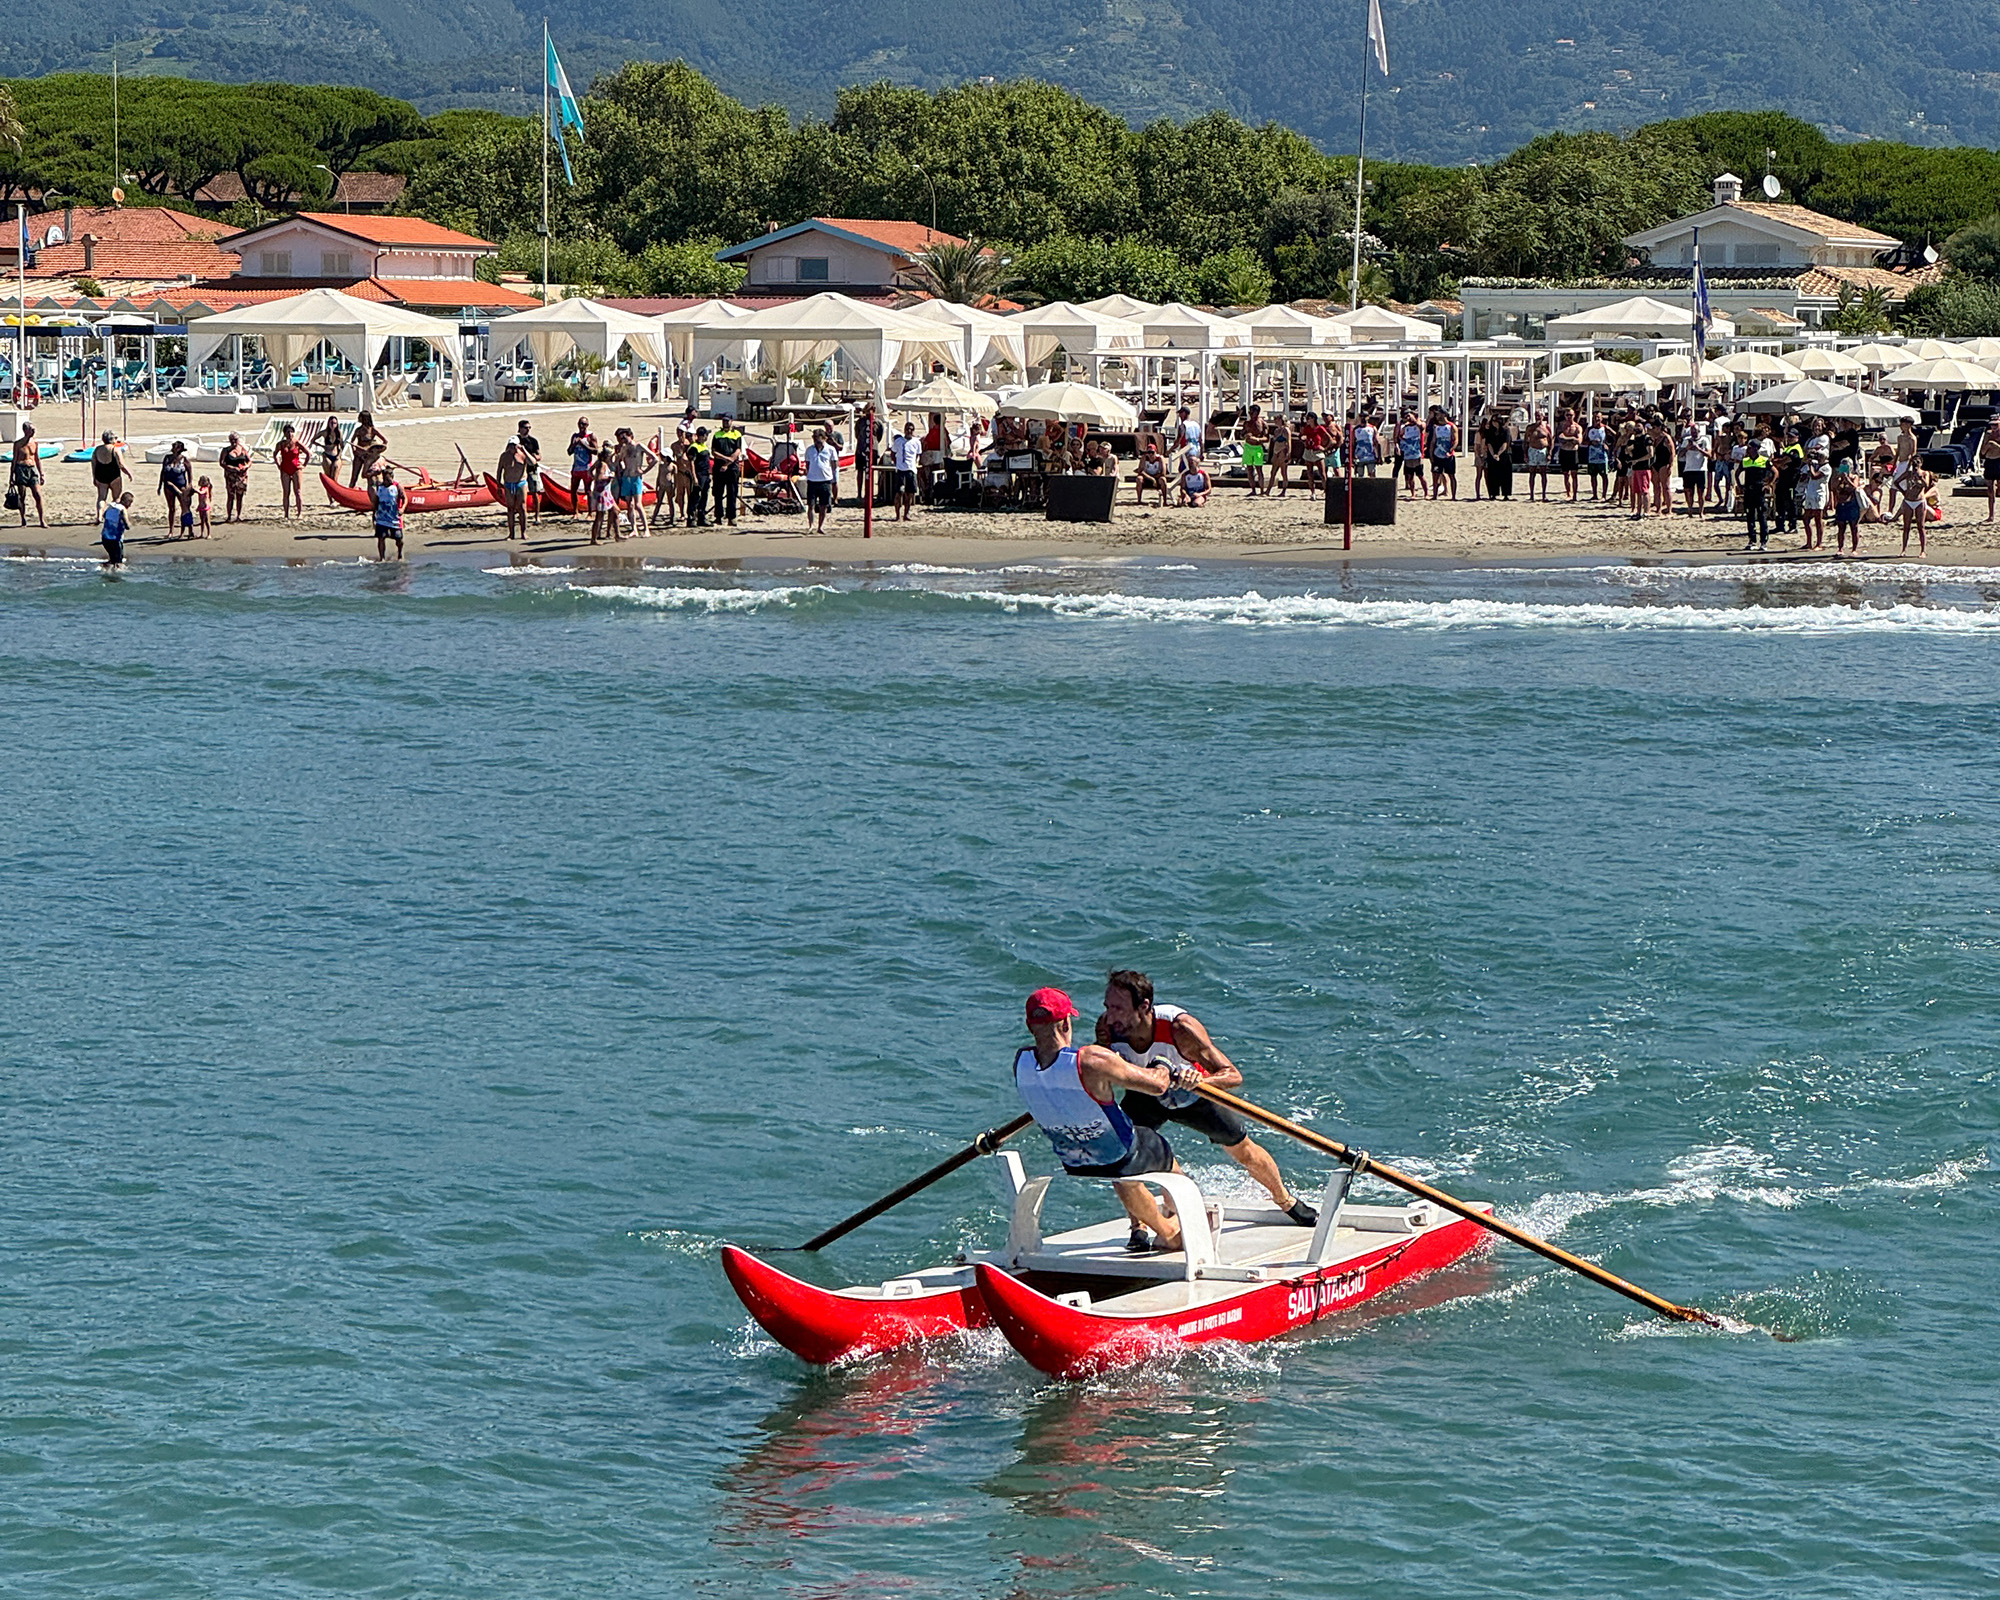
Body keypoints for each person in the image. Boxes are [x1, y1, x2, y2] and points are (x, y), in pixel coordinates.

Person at [1097, 970, 1317, 1238]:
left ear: (1144, 1007)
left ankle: (1285, 1200)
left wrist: (1200, 1081)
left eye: (1118, 1008)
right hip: (1147, 1094)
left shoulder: (1180, 1028)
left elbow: (1232, 1075)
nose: (1110, 1016)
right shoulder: (1109, 1029)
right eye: (1108, 1007)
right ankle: (1138, 1226)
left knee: (1242, 1149)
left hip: (1192, 1095)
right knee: (1123, 1156)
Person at [1014, 987, 1186, 1255]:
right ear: (1066, 1022)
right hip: (1118, 1152)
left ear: (1029, 1026)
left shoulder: (1022, 1062)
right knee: (1158, 1151)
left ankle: (1143, 1225)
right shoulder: (1092, 1059)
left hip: (1074, 1161)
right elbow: (1156, 1086)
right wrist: (1163, 1062)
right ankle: (1171, 1230)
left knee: (1122, 1170)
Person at [614, 427, 655, 538]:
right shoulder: (624, 448)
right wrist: (621, 467)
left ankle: (646, 529)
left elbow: (654, 458)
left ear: (630, 435)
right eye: (621, 438)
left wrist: (644, 470)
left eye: (624, 437)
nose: (623, 439)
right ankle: (634, 529)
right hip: (627, 477)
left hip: (636, 478)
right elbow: (619, 460)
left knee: (638, 504)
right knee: (629, 505)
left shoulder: (639, 446)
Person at [1739, 431, 1773, 550]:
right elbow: (1738, 473)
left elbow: (1775, 472)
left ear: (1756, 449)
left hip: (1759, 491)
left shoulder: (1764, 460)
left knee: (1762, 516)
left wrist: (1769, 484)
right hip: (1749, 491)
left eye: (1751, 447)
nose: (1748, 449)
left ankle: (1763, 542)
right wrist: (1740, 485)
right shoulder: (1745, 461)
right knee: (1750, 516)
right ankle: (1752, 541)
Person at [803, 426, 839, 533]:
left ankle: (820, 526)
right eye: (815, 440)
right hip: (812, 480)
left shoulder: (831, 449)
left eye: (819, 440)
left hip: (825, 480)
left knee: (823, 506)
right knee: (811, 505)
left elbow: (834, 464)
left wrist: (829, 474)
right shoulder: (809, 450)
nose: (817, 442)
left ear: (824, 439)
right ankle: (811, 526)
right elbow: (807, 464)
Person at [10, 424, 46, 528]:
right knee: (22, 496)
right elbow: (14, 459)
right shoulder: (18, 444)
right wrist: (11, 476)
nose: (34, 431)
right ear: (25, 430)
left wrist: (41, 474)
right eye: (31, 429)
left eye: (34, 429)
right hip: (21, 469)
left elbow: (37, 459)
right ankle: (23, 520)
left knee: (38, 495)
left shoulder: (34, 442)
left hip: (32, 469)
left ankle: (42, 520)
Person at [711, 416, 745, 526]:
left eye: (727, 421)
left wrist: (729, 461)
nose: (725, 423)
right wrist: (725, 459)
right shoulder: (717, 435)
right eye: (724, 421)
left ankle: (731, 517)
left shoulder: (736, 435)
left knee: (732, 493)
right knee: (718, 493)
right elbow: (714, 452)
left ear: (731, 421)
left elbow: (738, 450)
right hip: (719, 467)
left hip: (732, 468)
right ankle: (718, 516)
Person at [497, 437, 533, 539]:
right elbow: (499, 470)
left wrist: (524, 450)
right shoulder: (504, 456)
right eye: (511, 445)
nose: (512, 447)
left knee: (522, 508)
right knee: (510, 509)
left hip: (521, 483)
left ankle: (523, 532)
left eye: (514, 445)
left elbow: (533, 462)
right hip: (508, 484)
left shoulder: (522, 455)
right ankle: (511, 534)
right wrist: (498, 485)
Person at [1798, 435, 1830, 550]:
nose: (1818, 458)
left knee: (1818, 519)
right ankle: (1809, 542)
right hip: (1810, 493)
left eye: (1820, 457)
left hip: (1819, 494)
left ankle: (1819, 543)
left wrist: (1811, 465)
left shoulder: (1826, 468)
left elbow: (1815, 476)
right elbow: (1806, 476)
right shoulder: (1816, 466)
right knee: (1806, 518)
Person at [890, 420, 922, 521]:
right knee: (899, 492)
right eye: (907, 429)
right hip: (900, 470)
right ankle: (897, 515)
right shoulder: (899, 441)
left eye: (911, 430)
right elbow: (893, 453)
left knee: (910, 493)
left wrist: (914, 464)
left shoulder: (916, 442)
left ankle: (906, 514)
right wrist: (897, 463)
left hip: (911, 470)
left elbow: (917, 454)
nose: (909, 431)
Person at [513, 420, 543, 523]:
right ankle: (521, 513)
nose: (527, 430)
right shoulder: (515, 440)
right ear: (520, 428)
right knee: (519, 494)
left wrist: (533, 457)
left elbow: (539, 456)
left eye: (529, 428)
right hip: (519, 471)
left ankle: (537, 516)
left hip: (531, 470)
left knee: (535, 492)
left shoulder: (533, 441)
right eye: (525, 428)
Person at [371, 469, 405, 559]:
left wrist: (402, 509)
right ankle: (382, 557)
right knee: (381, 538)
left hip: (395, 518)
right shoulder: (380, 487)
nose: (389, 480)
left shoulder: (397, 486)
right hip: (382, 518)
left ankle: (400, 554)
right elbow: (376, 501)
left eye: (390, 478)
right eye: (386, 478)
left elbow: (405, 498)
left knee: (399, 539)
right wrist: (374, 513)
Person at [90, 429, 127, 512]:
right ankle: (114, 514)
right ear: (113, 439)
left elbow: (93, 464)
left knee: (101, 497)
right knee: (117, 497)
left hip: (101, 475)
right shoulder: (116, 450)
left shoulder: (97, 450)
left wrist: (94, 477)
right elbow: (121, 465)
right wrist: (129, 473)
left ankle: (99, 516)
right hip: (114, 476)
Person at [346, 411, 385, 487]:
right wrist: (354, 451)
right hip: (359, 455)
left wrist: (377, 450)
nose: (358, 418)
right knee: (354, 476)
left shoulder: (372, 430)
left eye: (360, 417)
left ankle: (372, 492)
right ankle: (350, 489)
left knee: (369, 476)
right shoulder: (358, 430)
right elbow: (352, 442)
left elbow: (385, 441)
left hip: (369, 456)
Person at [1831, 459, 1862, 555]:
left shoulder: (1854, 477)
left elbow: (1854, 488)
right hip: (1841, 504)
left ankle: (1854, 549)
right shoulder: (1838, 479)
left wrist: (1847, 479)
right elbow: (1833, 488)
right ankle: (1840, 548)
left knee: (1854, 527)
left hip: (1851, 504)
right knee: (1841, 528)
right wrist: (1839, 478)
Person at [219, 431, 252, 524]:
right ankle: (229, 516)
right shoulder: (226, 450)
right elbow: (221, 463)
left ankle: (239, 515)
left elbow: (249, 461)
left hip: (242, 476)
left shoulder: (242, 449)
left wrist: (246, 467)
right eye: (231, 440)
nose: (233, 442)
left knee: (240, 496)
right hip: (231, 475)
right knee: (230, 496)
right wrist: (232, 468)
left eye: (235, 440)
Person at [1426, 406, 1457, 500]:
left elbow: (1456, 440)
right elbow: (1433, 442)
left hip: (1448, 455)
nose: (1437, 416)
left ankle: (1453, 496)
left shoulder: (1451, 426)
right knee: (1435, 475)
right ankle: (1435, 495)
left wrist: (1450, 450)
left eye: (1439, 414)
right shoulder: (1436, 427)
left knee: (1451, 475)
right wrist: (1431, 454)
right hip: (1437, 454)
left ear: (1444, 414)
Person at [567, 417, 596, 514]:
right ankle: (575, 512)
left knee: (588, 490)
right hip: (576, 467)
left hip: (587, 468)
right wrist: (574, 445)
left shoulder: (590, 436)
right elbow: (569, 452)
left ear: (587, 425)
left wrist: (583, 444)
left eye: (584, 424)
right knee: (573, 489)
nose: (581, 426)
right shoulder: (575, 436)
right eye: (580, 424)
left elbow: (596, 451)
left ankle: (590, 512)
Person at [686, 427, 713, 529]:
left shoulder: (704, 446)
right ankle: (691, 518)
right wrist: (694, 477)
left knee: (704, 496)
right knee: (695, 496)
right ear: (702, 436)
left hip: (706, 474)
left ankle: (701, 517)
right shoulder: (694, 447)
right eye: (706, 435)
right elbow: (691, 463)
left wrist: (710, 473)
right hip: (698, 474)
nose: (706, 437)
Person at [1297, 411, 1329, 496]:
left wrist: (1324, 448)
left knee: (1322, 473)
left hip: (1317, 451)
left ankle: (1326, 490)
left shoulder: (1320, 428)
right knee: (1309, 473)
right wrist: (1303, 438)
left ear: (1313, 419)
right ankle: (1312, 492)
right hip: (1308, 451)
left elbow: (1329, 438)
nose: (1307, 420)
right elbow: (1301, 436)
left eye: (1308, 418)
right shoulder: (1307, 428)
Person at [1555, 408, 1583, 502]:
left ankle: (1575, 494)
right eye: (1567, 415)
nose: (1569, 417)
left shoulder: (1577, 427)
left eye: (1570, 415)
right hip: (1564, 451)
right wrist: (1571, 439)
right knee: (1566, 474)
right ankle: (1568, 493)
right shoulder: (1562, 426)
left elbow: (1578, 441)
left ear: (1574, 415)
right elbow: (1560, 438)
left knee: (1574, 474)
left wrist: (1567, 438)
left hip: (1573, 452)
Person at [1523, 411, 1551, 502]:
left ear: (1543, 416)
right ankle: (1531, 494)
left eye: (1539, 416)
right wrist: (1525, 454)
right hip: (1533, 450)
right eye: (1536, 416)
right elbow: (1525, 441)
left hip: (1543, 450)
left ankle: (1544, 494)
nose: (1538, 417)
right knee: (1532, 472)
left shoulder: (1546, 427)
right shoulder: (1530, 428)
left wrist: (1549, 453)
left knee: (1543, 473)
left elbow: (1551, 441)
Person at [1396, 409, 1425, 498]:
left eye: (1408, 415)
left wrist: (1414, 420)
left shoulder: (1419, 423)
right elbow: (1398, 436)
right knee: (1409, 474)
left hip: (1417, 453)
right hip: (1407, 452)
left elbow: (1422, 428)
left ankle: (1426, 493)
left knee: (1420, 475)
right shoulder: (1403, 426)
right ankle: (1412, 492)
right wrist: (1403, 444)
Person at [100, 490, 133, 567]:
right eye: (130, 503)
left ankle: (104, 570)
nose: (130, 505)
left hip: (105, 538)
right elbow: (127, 525)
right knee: (118, 561)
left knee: (112, 559)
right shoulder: (122, 509)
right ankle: (117, 576)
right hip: (115, 539)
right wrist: (129, 524)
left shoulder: (111, 506)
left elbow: (104, 516)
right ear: (126, 502)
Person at [1133, 439, 1171, 506]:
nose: (1150, 454)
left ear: (1155, 452)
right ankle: (1139, 500)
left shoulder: (1160, 458)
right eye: (1149, 452)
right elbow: (1140, 471)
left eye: (1152, 452)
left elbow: (1163, 473)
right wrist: (1151, 479)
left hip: (1157, 476)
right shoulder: (1144, 458)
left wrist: (1155, 478)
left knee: (1163, 480)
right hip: (1147, 477)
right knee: (1139, 479)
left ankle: (1165, 501)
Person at [1240, 405, 1267, 495]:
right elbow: (1240, 434)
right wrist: (1245, 435)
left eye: (1252, 412)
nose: (1250, 414)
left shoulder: (1262, 423)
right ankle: (1253, 490)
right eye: (1249, 412)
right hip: (1248, 447)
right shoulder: (1246, 423)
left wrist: (1257, 439)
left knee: (1259, 468)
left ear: (1257, 413)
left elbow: (1267, 438)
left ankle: (1262, 490)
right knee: (1249, 469)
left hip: (1257, 448)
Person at [1583, 416, 1610, 500]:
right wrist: (1590, 442)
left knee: (1604, 475)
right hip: (1592, 455)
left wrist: (1608, 445)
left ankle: (1604, 495)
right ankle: (1594, 494)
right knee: (1593, 476)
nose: (1597, 419)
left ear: (1601, 418)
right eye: (1595, 417)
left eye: (1598, 417)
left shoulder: (1604, 428)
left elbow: (1615, 435)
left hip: (1602, 455)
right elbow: (1583, 440)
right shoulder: (1589, 429)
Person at [1266, 410, 1292, 497]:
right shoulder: (1277, 430)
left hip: (1283, 450)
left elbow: (1289, 442)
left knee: (1283, 472)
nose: (1275, 421)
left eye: (1277, 419)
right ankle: (1268, 490)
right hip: (1276, 450)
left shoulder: (1286, 430)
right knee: (1273, 471)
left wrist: (1288, 454)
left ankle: (1284, 491)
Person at [1980, 416, 2000, 522]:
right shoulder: (1988, 434)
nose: (1994, 427)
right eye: (1992, 425)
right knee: (1990, 489)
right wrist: (1989, 444)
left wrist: (1995, 445)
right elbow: (1983, 451)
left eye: (1996, 425)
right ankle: (1991, 515)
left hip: (1998, 461)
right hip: (1990, 460)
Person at [1351, 411, 1380, 478]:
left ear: (1368, 417)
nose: (1363, 418)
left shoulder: (1372, 428)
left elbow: (1376, 442)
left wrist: (1379, 456)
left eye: (1365, 416)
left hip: (1370, 455)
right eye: (1361, 416)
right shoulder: (1356, 429)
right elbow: (1353, 444)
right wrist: (1352, 457)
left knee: (1372, 474)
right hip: (1359, 456)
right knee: (1360, 476)